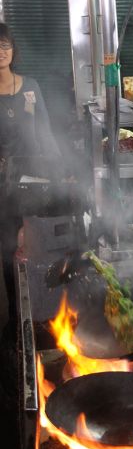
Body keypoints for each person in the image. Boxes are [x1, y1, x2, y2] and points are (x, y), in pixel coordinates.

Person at [0, 23, 60, 340]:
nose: (2, 52)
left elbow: (45, 133)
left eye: (6, 45)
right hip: (1, 184)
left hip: (33, 179)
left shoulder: (30, 86)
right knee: (8, 249)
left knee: (36, 244)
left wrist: (60, 171)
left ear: (14, 50)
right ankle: (15, 319)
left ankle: (42, 314)